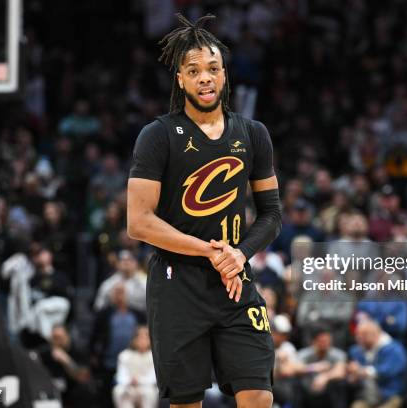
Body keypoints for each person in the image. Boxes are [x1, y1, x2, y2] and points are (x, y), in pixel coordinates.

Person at [126, 14, 281, 408]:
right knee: (186, 402)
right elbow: (138, 222)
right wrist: (210, 251)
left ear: (224, 75)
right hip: (178, 283)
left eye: (212, 69)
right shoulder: (158, 135)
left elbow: (271, 214)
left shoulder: (252, 133)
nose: (204, 78)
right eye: (193, 71)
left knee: (259, 396)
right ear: (180, 80)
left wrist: (239, 253)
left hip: (234, 278)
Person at [113, 326, 158, 408]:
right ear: (134, 339)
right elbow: (120, 375)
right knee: (118, 391)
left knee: (150, 393)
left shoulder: (153, 356)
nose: (143, 341)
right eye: (140, 337)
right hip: (129, 386)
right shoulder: (124, 355)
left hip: (146, 387)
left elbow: (153, 377)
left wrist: (139, 380)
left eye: (146, 338)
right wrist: (129, 381)